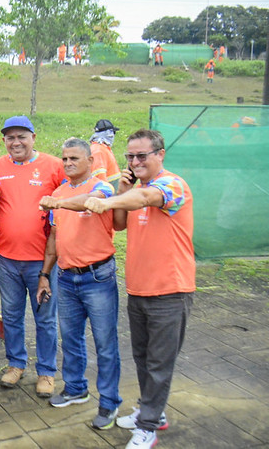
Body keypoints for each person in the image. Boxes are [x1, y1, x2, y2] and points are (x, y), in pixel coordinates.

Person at [84, 128, 194, 449]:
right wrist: (121, 189)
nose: (134, 161)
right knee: (143, 358)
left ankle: (148, 426)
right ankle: (152, 412)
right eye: (130, 156)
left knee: (160, 363)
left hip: (170, 291)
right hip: (139, 289)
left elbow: (147, 198)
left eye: (141, 155)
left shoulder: (171, 185)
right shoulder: (134, 189)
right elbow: (120, 223)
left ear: (160, 154)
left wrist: (112, 200)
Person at [39, 138, 122, 430]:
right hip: (67, 276)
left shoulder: (102, 187)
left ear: (91, 161)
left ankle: (109, 403)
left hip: (97, 277)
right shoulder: (59, 192)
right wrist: (45, 274)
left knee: (105, 343)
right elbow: (53, 237)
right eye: (64, 159)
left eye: (74, 158)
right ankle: (75, 388)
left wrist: (59, 202)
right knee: (70, 339)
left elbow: (90, 204)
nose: (68, 163)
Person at [0, 115, 63, 398]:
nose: (16, 142)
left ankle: (46, 372)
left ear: (34, 137)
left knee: (44, 318)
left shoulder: (54, 166)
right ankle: (16, 364)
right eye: (10, 138)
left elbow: (73, 191)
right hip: (6, 258)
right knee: (12, 316)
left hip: (42, 261)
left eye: (22, 136)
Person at [90, 119, 122, 191]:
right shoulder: (98, 150)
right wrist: (105, 193)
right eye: (113, 133)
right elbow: (99, 175)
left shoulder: (103, 148)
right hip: (108, 193)